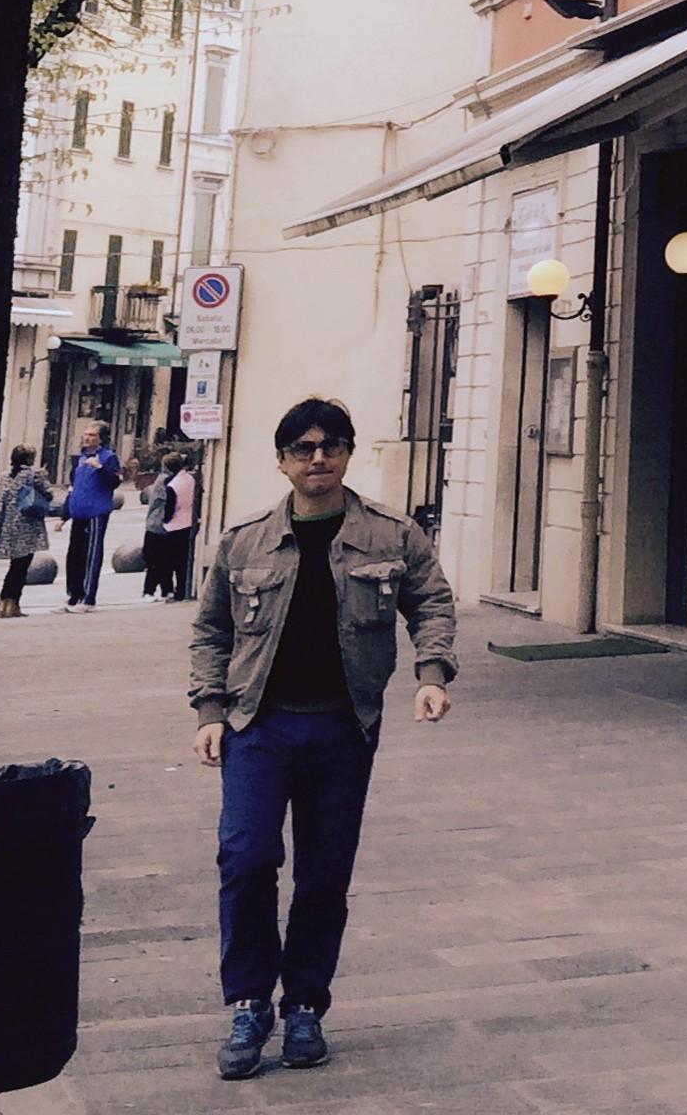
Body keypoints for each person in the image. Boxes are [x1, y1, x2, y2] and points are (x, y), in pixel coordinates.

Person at [190, 397, 456, 1082]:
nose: (319, 458)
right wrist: (209, 711)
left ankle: (305, 1003)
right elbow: (212, 629)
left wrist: (431, 673)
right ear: (282, 460)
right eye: (304, 448)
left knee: (324, 873)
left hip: (344, 727)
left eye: (332, 445)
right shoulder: (245, 540)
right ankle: (250, 1001)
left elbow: (431, 600)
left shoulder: (391, 534)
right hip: (259, 724)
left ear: (347, 453)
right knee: (246, 858)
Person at [60, 420, 122, 610]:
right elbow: (73, 486)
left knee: (92, 554)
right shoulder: (79, 459)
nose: (87, 438)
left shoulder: (108, 457)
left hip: (96, 512)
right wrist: (64, 515)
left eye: (92, 435)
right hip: (79, 511)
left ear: (101, 439)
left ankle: (88, 598)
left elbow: (114, 481)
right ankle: (73, 594)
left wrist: (100, 468)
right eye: (85, 434)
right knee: (74, 555)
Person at [0, 446, 54, 618]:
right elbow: (49, 494)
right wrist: (45, 477)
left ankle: (4, 603)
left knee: (13, 566)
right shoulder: (33, 475)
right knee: (21, 568)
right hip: (26, 527)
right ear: (30, 459)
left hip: (8, 527)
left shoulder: (4, 476)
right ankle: (13, 603)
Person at [140, 454, 183, 601]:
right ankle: (149, 591)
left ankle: (166, 590)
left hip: (156, 523)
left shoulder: (164, 479)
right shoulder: (167, 480)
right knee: (157, 561)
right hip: (159, 524)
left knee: (163, 560)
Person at [162, 447, 201, 599]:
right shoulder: (190, 479)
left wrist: (165, 520)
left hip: (174, 524)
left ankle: (174, 591)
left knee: (170, 561)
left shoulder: (172, 485)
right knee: (184, 560)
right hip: (189, 522)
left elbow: (170, 507)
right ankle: (183, 588)